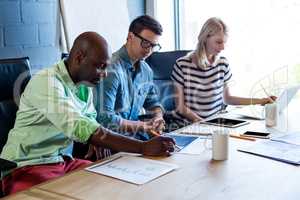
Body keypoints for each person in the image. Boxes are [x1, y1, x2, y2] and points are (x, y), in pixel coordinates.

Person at [0, 32, 175, 195]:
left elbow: (90, 120)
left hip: (61, 160)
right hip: (25, 166)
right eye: (100, 67)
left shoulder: (84, 86)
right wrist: (142, 147)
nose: (105, 74)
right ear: (78, 58)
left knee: (109, 184)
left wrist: (97, 139)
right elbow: (81, 127)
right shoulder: (47, 82)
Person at [171, 17, 276, 125]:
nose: (223, 47)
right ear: (205, 38)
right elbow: (180, 107)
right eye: (218, 42)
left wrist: (261, 101)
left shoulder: (223, 64)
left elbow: (228, 99)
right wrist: (203, 123)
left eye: (224, 42)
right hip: (190, 126)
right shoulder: (182, 65)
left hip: (215, 124)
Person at [95, 15, 165, 141]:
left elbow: (153, 102)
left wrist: (158, 116)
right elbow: (104, 118)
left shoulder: (146, 70)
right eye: (145, 43)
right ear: (130, 37)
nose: (149, 50)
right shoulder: (111, 69)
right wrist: (141, 126)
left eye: (154, 46)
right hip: (113, 140)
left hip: (136, 138)